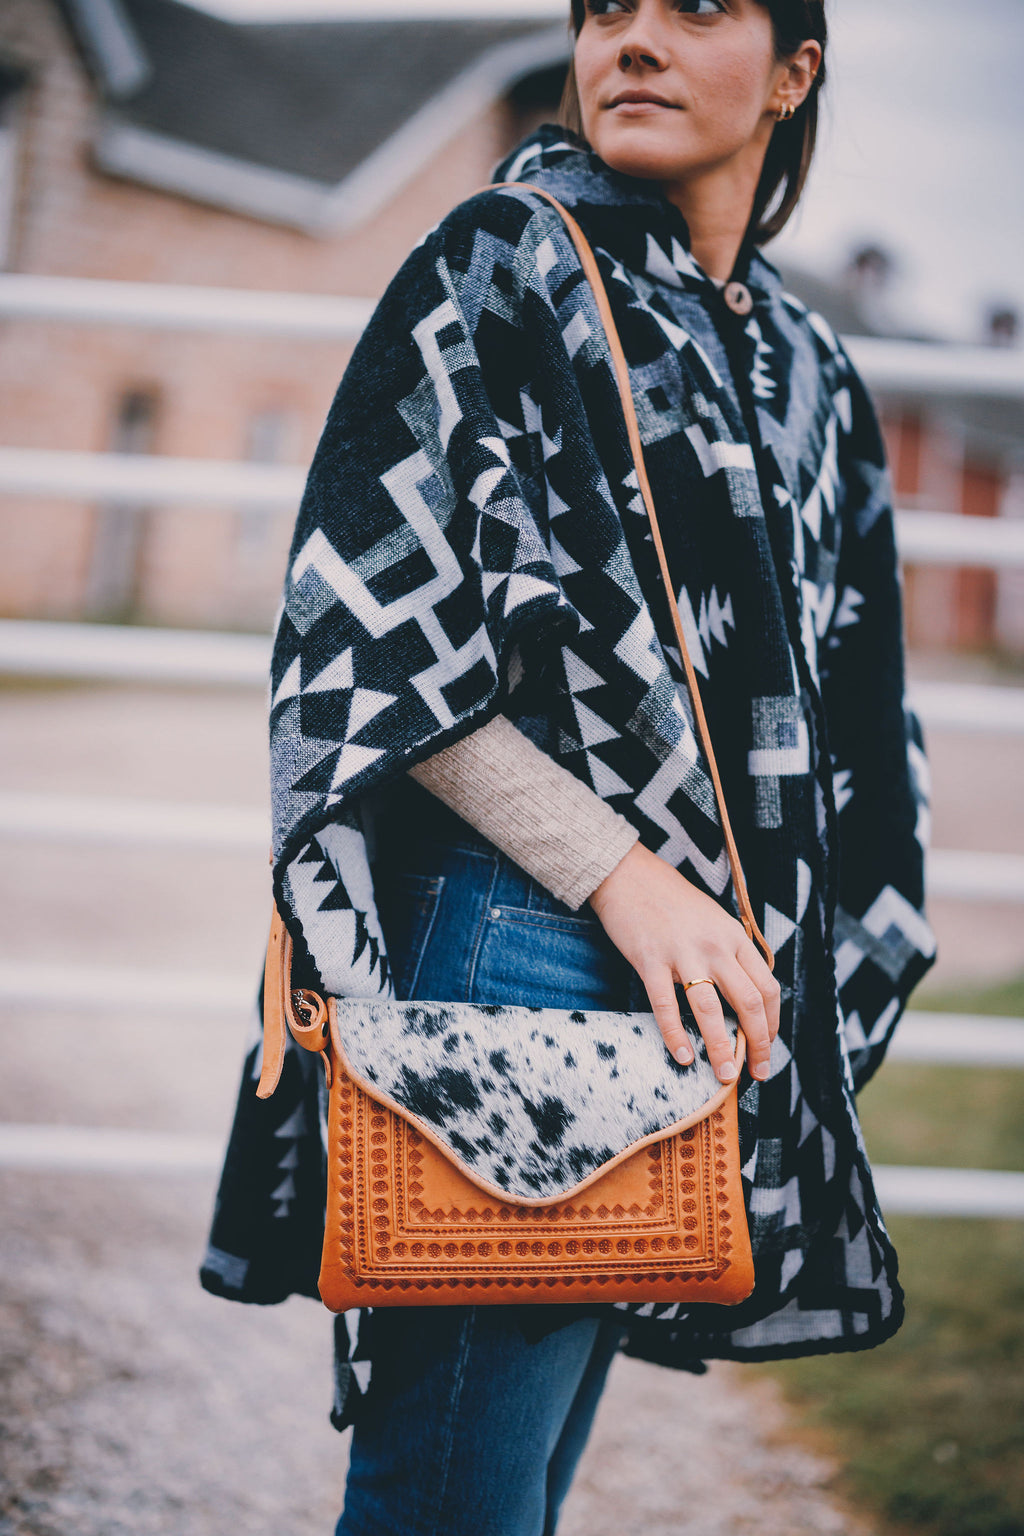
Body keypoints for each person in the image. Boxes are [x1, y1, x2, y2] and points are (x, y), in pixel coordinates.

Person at [201, 2, 937, 1531]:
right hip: (519, 950)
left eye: (698, 8)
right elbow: (367, 641)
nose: (637, 41)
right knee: (450, 1502)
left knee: (516, 1492)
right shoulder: (504, 262)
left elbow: (859, 715)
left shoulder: (807, 370)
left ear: (796, 72)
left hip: (708, 994)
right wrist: (629, 880)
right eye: (609, 8)